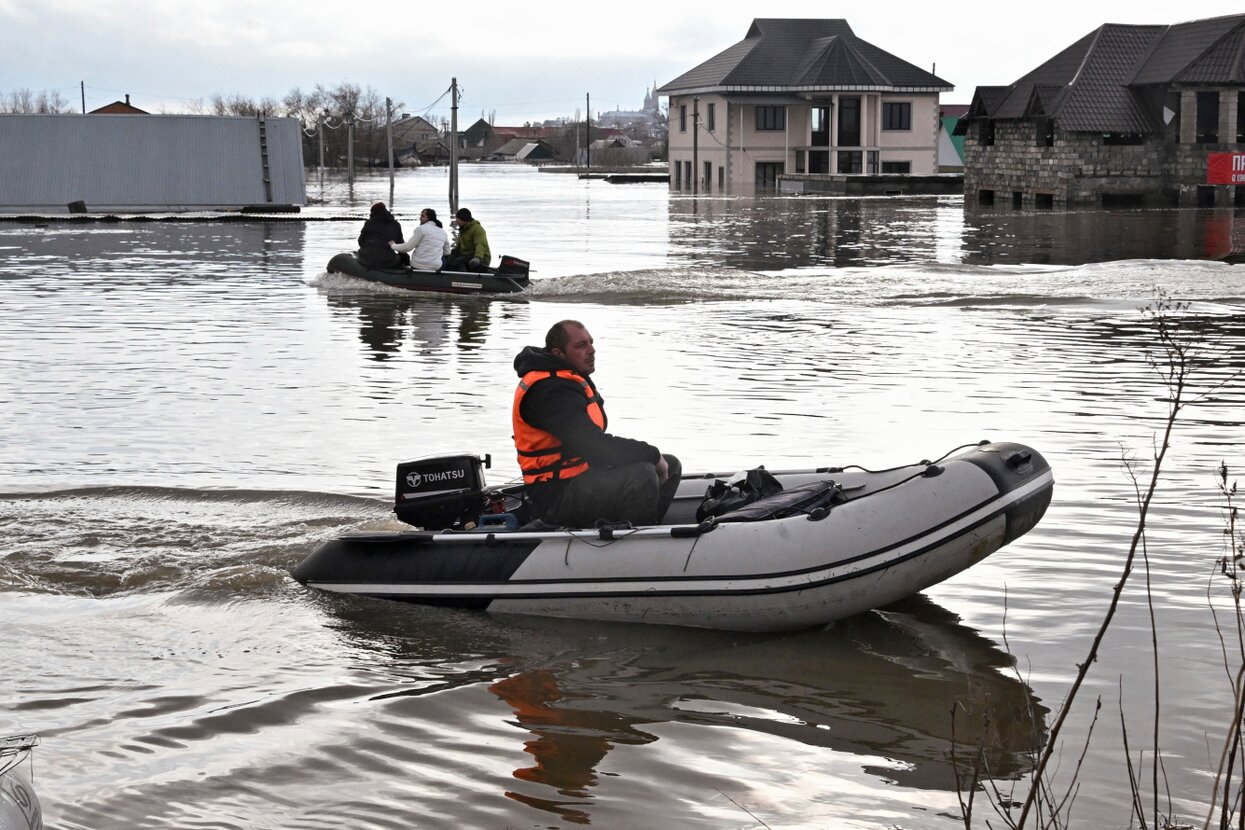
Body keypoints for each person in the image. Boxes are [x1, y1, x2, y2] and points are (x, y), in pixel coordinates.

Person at [512, 320, 681, 528]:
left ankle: (641, 528)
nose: (592, 350)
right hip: (555, 495)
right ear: (558, 354)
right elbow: (594, 447)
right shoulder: (551, 392)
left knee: (670, 465)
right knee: (642, 474)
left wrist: (655, 457)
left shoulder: (564, 379)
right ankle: (634, 544)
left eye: (591, 343)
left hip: (578, 476)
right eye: (581, 345)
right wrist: (652, 454)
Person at [356, 201, 406, 268]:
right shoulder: (396, 224)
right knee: (398, 258)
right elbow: (400, 246)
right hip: (388, 260)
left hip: (367, 258)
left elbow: (361, 242)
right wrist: (406, 260)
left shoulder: (369, 223)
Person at [444, 207, 491, 272]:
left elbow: (480, 244)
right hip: (466, 256)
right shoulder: (463, 230)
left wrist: (477, 257)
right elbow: (458, 248)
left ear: (463, 219)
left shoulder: (477, 229)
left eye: (457, 219)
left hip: (480, 258)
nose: (456, 221)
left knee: (458, 262)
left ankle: (465, 278)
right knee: (449, 259)